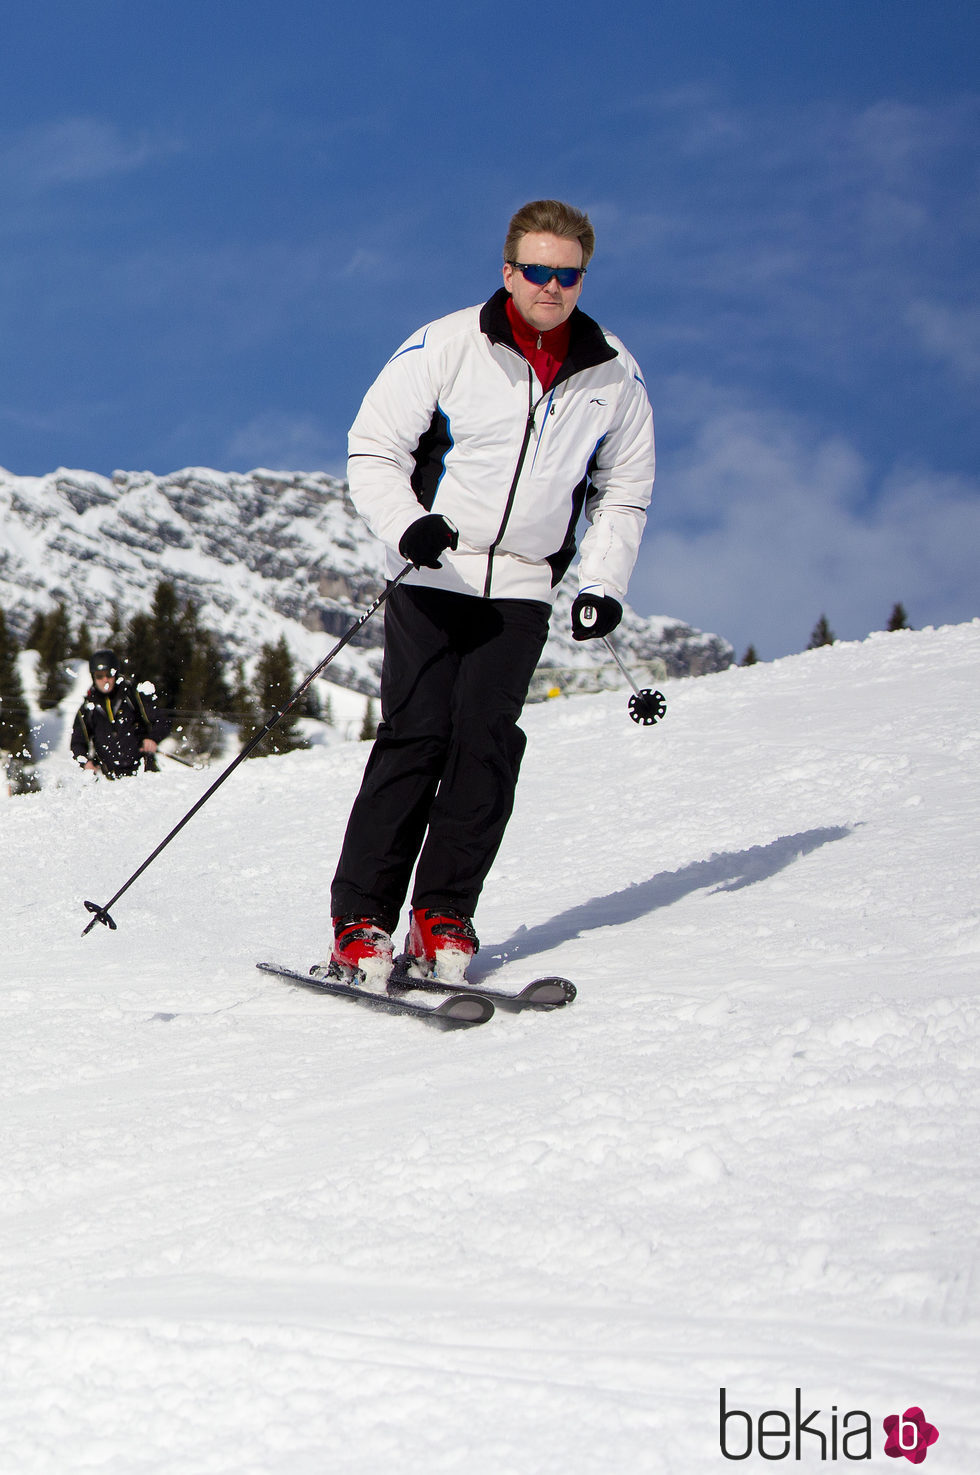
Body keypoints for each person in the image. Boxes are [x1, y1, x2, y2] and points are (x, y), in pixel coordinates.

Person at [327, 198, 655, 986]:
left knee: (486, 742)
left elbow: (625, 487)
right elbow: (373, 447)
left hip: (521, 587)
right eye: (536, 271)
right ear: (508, 272)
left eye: (566, 274)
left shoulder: (613, 372)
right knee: (418, 734)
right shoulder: (447, 345)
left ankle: (442, 912)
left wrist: (602, 581)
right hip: (436, 567)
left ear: (582, 277)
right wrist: (410, 524)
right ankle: (361, 921)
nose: (551, 286)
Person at [70, 649, 171, 778]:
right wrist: (85, 762)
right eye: (99, 676)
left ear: (116, 673)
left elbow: (162, 721)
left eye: (109, 674)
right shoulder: (88, 707)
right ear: (93, 677)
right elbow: (77, 742)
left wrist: (152, 738)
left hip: (143, 773)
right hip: (108, 777)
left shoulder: (132, 695)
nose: (105, 680)